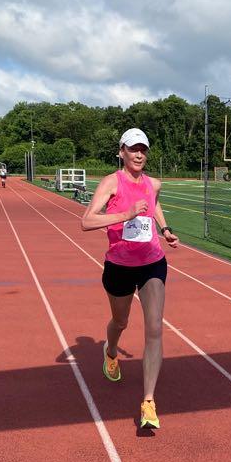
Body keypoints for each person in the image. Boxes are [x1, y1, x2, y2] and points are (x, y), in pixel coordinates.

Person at [81, 128, 179, 430]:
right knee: (120, 321)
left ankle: (148, 401)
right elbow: (87, 221)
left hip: (152, 262)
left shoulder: (154, 183)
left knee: (155, 328)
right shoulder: (111, 182)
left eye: (143, 149)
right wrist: (126, 214)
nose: (139, 154)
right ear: (121, 151)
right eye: (133, 149)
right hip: (119, 266)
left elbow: (154, 203)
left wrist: (165, 229)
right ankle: (110, 351)